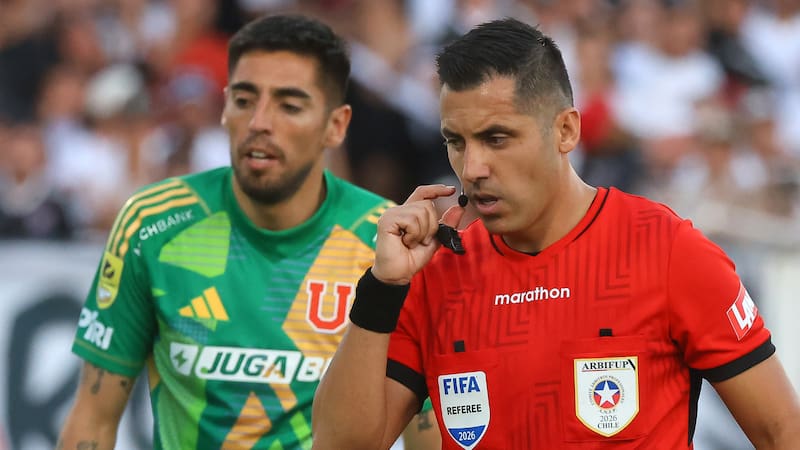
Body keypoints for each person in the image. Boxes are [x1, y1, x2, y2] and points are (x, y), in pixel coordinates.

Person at [311, 18, 800, 449]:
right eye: (455, 142)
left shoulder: (667, 250)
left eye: (497, 138)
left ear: (566, 131)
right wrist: (381, 288)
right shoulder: (436, 275)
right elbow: (339, 445)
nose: (472, 167)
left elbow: (782, 432)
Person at [57, 14, 440, 450]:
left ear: (336, 125)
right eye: (243, 99)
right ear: (224, 108)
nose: (259, 122)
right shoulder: (153, 225)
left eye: (289, 105)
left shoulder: (389, 246)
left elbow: (425, 436)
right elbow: (92, 421)